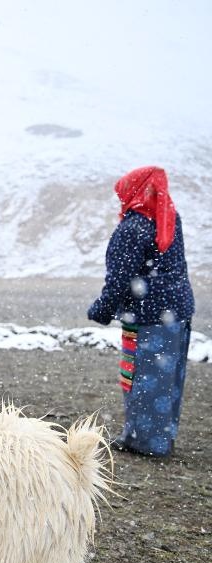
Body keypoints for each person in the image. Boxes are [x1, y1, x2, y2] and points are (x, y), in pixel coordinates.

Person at [87, 166, 193, 457]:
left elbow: (119, 279)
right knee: (167, 380)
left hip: (147, 315)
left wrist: (101, 310)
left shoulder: (133, 227)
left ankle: (143, 442)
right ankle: (160, 439)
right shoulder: (168, 218)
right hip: (177, 312)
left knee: (140, 377)